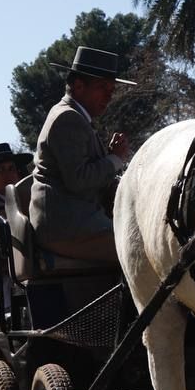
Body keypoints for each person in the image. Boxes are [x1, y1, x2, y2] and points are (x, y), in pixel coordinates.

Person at [31, 46, 133, 263]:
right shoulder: (68, 118)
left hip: (74, 220)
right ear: (78, 86)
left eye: (112, 89)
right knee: (139, 251)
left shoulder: (76, 117)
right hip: (67, 225)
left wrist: (111, 159)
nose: (109, 95)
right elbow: (79, 179)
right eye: (102, 87)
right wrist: (115, 159)